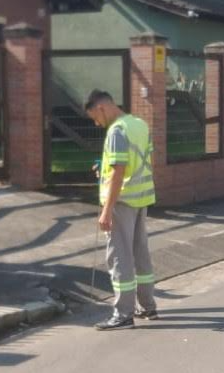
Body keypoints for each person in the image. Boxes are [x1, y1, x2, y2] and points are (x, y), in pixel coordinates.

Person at [85, 89, 158, 331]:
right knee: (140, 252)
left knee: (119, 257)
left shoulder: (116, 131)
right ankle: (147, 306)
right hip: (141, 198)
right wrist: (103, 168)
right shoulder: (138, 124)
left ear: (101, 108)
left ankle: (123, 313)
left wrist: (106, 210)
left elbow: (118, 172)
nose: (96, 123)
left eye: (94, 117)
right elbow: (139, 161)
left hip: (122, 201)